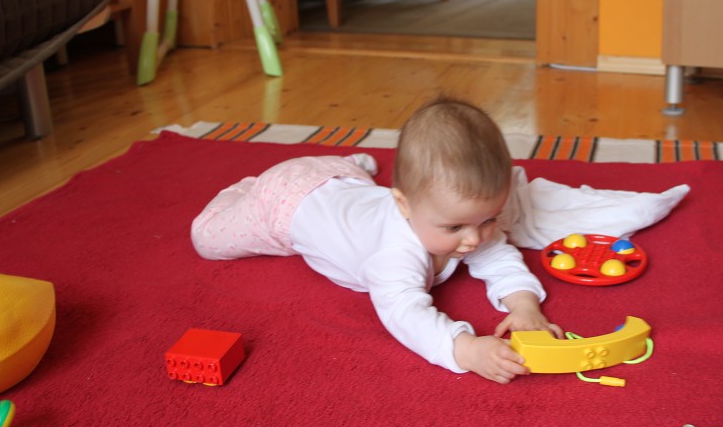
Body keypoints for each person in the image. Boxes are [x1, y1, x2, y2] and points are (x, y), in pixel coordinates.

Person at [191, 97, 562, 384]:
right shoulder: (394, 253)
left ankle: (348, 166)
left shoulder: (455, 217)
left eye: (489, 219)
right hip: (283, 200)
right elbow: (404, 313)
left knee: (352, 186)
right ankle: (245, 191)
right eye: (454, 228)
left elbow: (499, 257)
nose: (474, 239)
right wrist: (464, 350)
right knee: (205, 240)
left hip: (342, 183)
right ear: (403, 204)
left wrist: (524, 305)